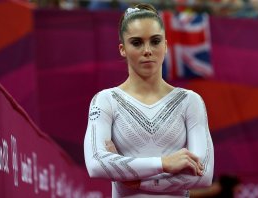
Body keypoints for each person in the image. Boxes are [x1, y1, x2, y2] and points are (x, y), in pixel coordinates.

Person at [84, 3, 214, 198]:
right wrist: (164, 163)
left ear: (166, 45)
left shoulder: (190, 101)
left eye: (155, 41)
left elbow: (203, 175)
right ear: (122, 49)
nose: (147, 50)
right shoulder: (105, 100)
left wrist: (132, 180)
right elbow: (96, 164)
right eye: (136, 43)